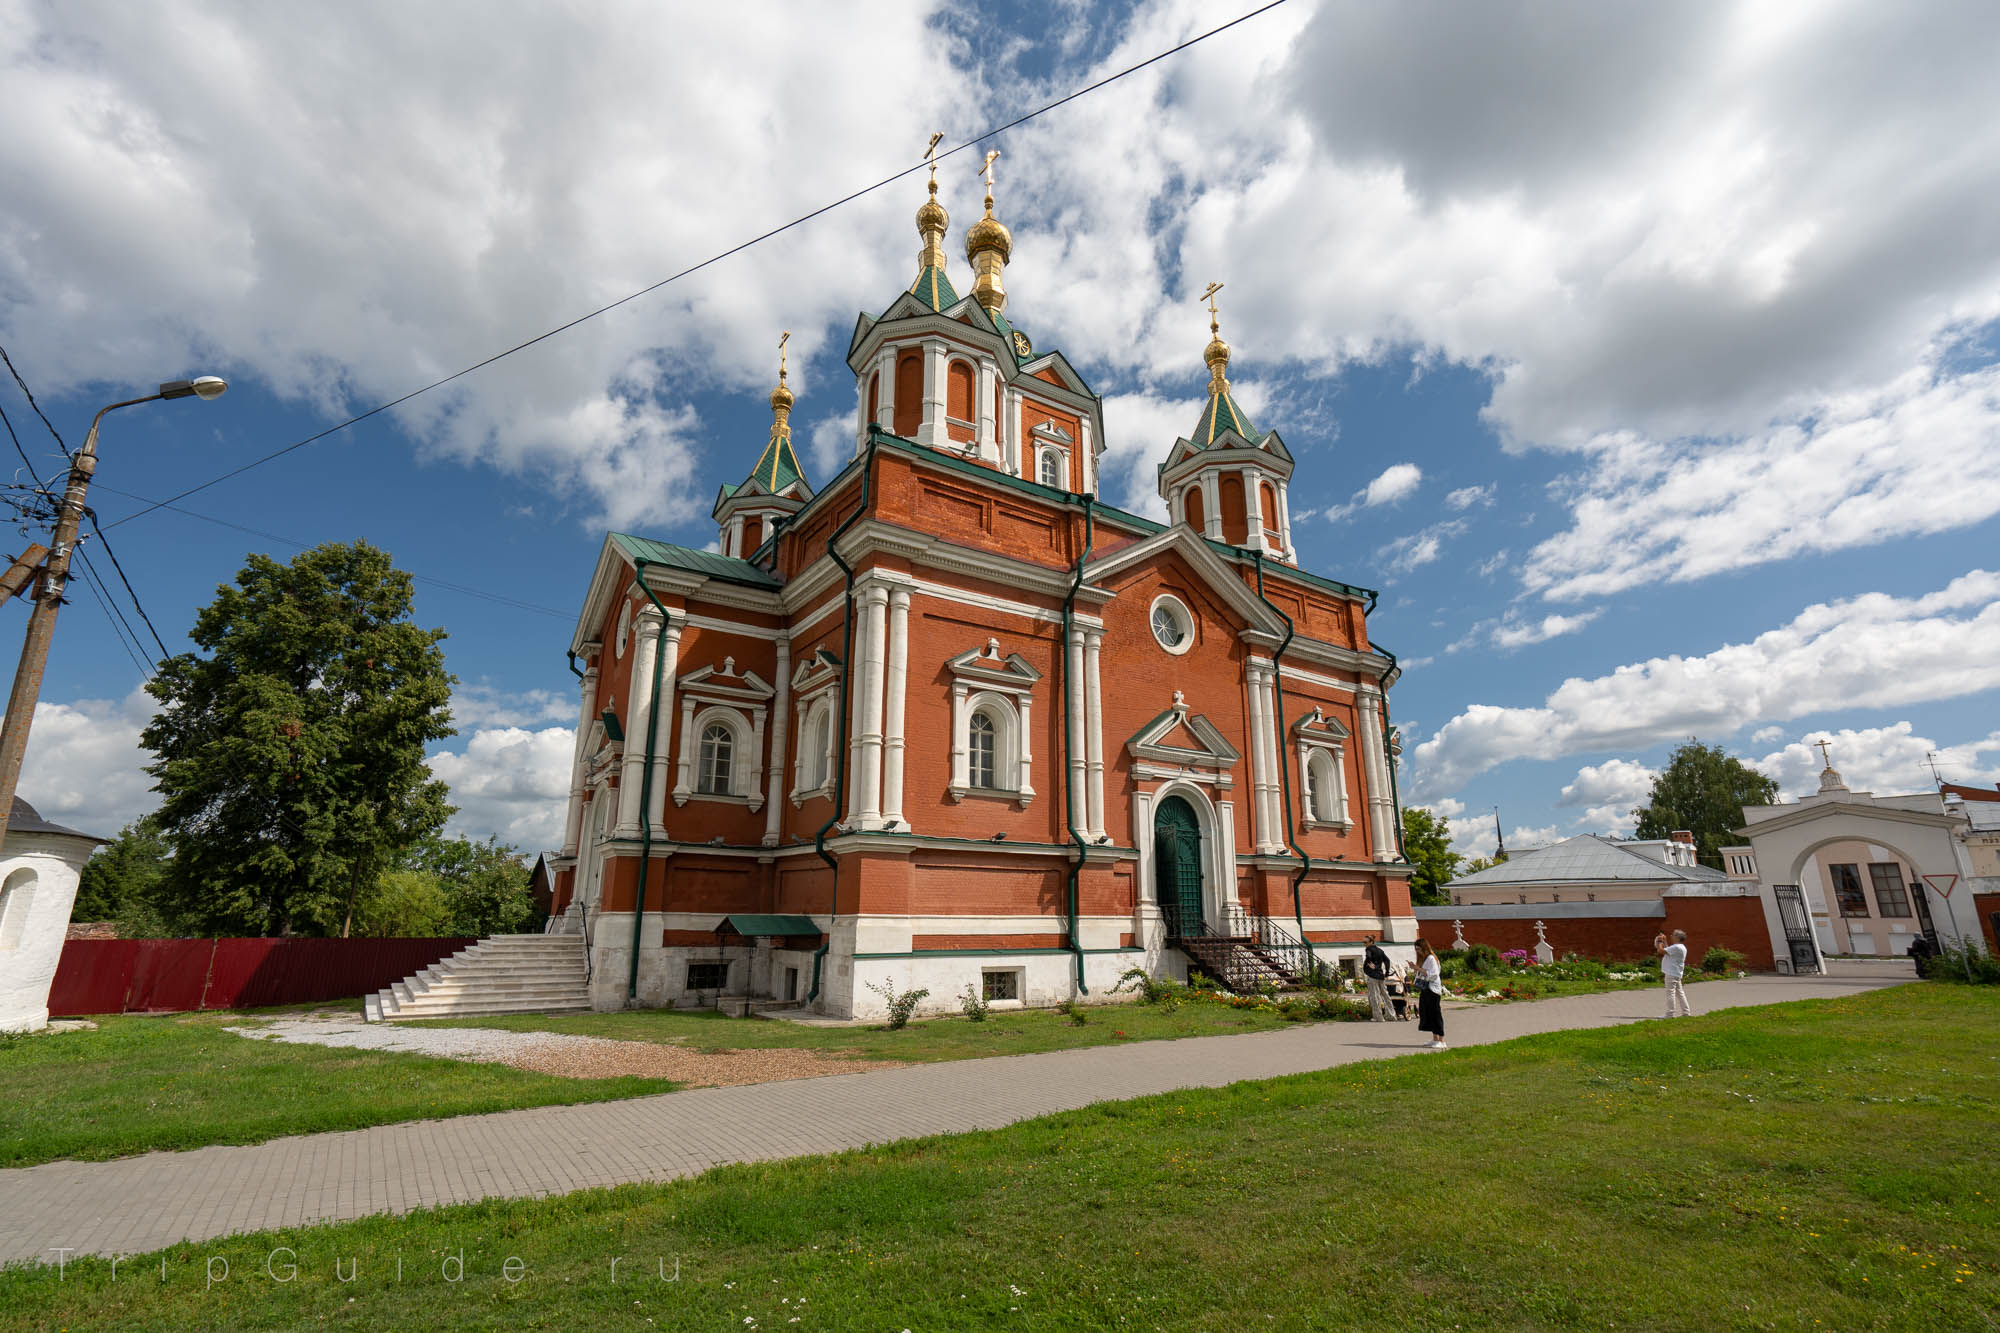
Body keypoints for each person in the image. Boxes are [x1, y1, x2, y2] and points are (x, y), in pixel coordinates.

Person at [1414, 939, 1446, 1049]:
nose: (1417, 951)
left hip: (1433, 990)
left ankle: (1441, 1040)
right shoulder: (1426, 959)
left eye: (1419, 949)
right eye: (1416, 949)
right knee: (1427, 1013)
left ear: (1424, 948)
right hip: (1426, 989)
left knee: (1435, 1014)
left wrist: (1417, 968)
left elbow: (1434, 975)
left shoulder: (1431, 958)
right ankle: (1435, 1038)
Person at [1658, 928, 1692, 1018]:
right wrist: (1665, 941)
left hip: (1671, 973)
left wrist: (1659, 943)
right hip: (1676, 973)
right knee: (1680, 993)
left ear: (1677, 937)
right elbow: (1668, 950)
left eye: (1673, 935)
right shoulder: (1680, 947)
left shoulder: (1676, 947)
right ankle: (1686, 1012)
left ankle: (1670, 1013)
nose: (1671, 936)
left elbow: (1661, 951)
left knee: (1670, 993)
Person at [1362, 935, 1394, 1021]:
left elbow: (1368, 957)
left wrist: (1371, 964)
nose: (1364, 944)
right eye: (1363, 942)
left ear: (1371, 942)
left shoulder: (1369, 949)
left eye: (1365, 942)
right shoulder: (1380, 950)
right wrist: (1387, 972)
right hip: (1380, 975)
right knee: (1385, 995)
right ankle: (1391, 1015)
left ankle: (1378, 1017)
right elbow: (1387, 960)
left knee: (1374, 996)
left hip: (1373, 976)